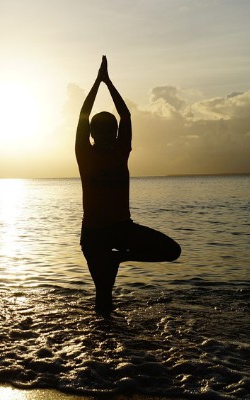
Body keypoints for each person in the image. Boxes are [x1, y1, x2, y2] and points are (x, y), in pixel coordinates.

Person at [76, 56, 181, 314]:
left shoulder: (121, 151)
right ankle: (104, 343)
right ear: (92, 135)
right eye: (100, 131)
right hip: (93, 235)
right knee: (103, 296)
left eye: (109, 131)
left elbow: (125, 115)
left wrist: (107, 83)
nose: (105, 135)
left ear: (114, 134)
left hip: (122, 230)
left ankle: (120, 257)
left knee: (171, 250)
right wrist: (99, 82)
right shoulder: (84, 154)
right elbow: (85, 114)